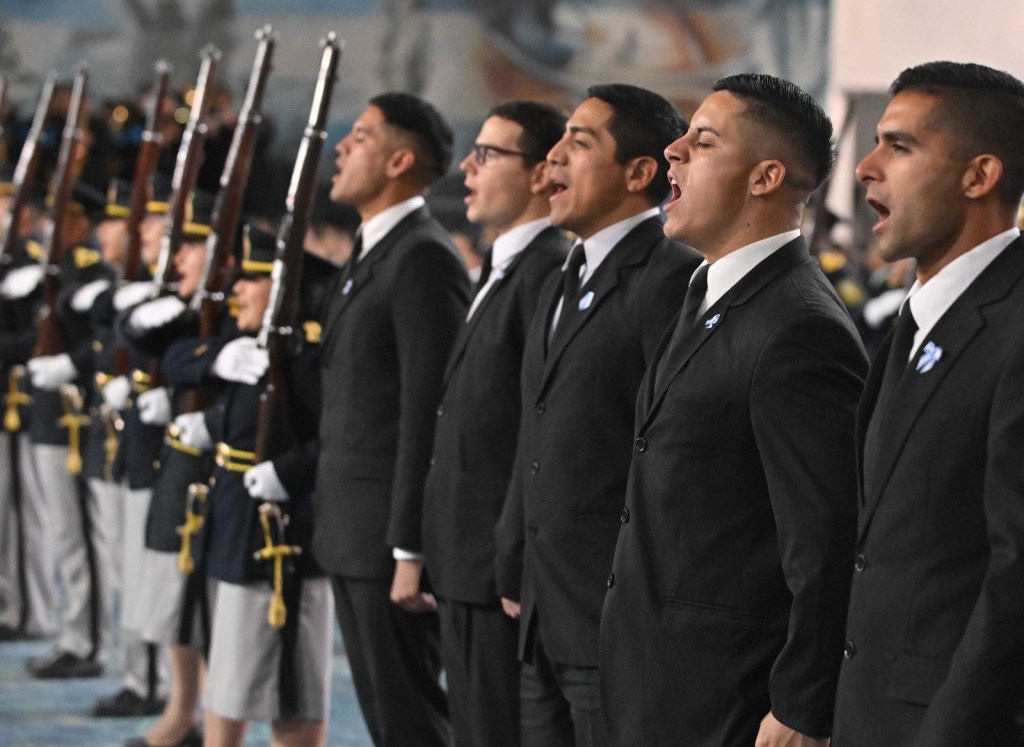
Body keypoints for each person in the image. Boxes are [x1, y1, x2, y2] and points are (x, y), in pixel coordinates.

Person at [598, 73, 867, 746]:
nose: (673, 150)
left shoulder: (799, 327)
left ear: (765, 177)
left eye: (704, 140)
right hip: (657, 676)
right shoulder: (708, 293)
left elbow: (828, 536)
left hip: (725, 697)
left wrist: (803, 702)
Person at [493, 83, 699, 746]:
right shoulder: (566, 270)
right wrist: (515, 558)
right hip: (542, 608)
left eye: (578, 143)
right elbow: (538, 426)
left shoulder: (670, 276)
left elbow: (672, 458)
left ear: (639, 173)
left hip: (610, 616)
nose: (552, 158)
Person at [832, 61, 1024, 746]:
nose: (866, 168)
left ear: (979, 176)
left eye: (900, 145)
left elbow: (1014, 574)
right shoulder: (916, 321)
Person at [313, 92, 470, 747]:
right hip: (352, 528)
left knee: (410, 723)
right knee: (387, 720)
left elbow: (428, 410)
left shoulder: (422, 257)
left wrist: (410, 546)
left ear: (401, 160)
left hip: (386, 539)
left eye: (361, 136)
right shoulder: (374, 250)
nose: (342, 148)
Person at [421, 100, 568, 747]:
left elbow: (538, 433)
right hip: (466, 558)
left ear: (540, 173)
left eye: (488, 154)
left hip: (495, 567)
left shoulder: (547, 271)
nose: (467, 168)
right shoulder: (507, 265)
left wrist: (511, 561)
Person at [159, 223, 337, 747]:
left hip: (282, 541)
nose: (236, 289)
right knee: (227, 681)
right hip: (233, 529)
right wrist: (214, 416)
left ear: (283, 292)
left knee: (294, 693)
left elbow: (340, 438)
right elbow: (179, 361)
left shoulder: (306, 358)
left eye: (250, 280)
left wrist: (291, 472)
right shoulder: (252, 347)